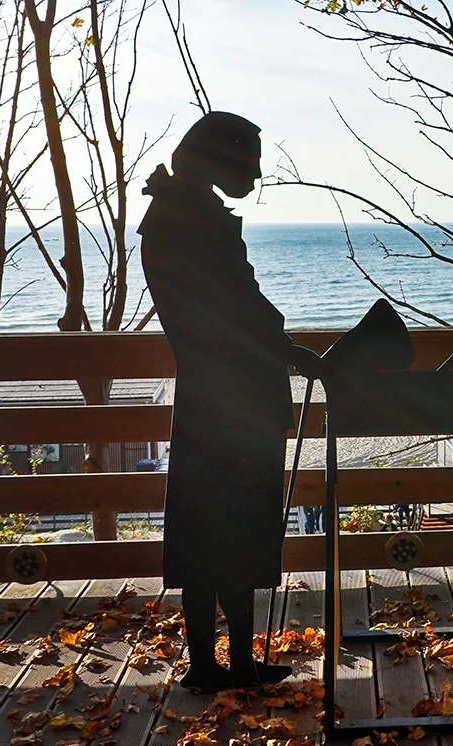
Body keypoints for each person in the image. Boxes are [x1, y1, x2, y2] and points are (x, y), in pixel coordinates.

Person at [138, 111, 318, 693]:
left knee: (209, 530)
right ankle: (220, 664)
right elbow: (237, 305)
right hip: (229, 398)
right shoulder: (192, 222)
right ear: (220, 159)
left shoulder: (178, 215)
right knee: (231, 528)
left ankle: (226, 662)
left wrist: (275, 341)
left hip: (209, 394)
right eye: (251, 163)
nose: (258, 175)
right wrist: (284, 347)